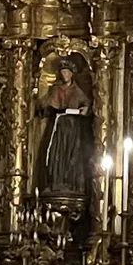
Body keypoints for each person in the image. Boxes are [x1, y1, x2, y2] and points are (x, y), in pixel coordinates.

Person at [37, 60, 93, 197]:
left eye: (67, 72)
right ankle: (56, 182)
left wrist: (85, 109)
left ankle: (71, 183)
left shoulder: (76, 90)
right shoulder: (56, 90)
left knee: (72, 154)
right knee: (57, 154)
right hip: (59, 125)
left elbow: (86, 104)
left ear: (72, 74)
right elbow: (47, 105)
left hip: (73, 127)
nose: (65, 75)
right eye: (63, 73)